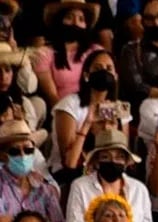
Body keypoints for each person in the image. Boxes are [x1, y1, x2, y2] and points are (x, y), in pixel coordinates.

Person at [65, 129, 153, 222]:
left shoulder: (139, 189)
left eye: (118, 157)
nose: (113, 162)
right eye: (106, 157)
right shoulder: (80, 187)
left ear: (125, 161)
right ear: (97, 161)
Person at [48, 48, 131, 184]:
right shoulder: (69, 104)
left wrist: (111, 131)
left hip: (107, 171)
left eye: (109, 68)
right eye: (98, 68)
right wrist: (88, 125)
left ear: (115, 76)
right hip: (71, 172)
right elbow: (69, 162)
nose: (104, 72)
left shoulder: (120, 108)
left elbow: (123, 155)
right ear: (86, 75)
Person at [0, 120, 64, 222]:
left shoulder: (44, 187)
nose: (23, 155)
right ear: (3, 156)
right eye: (14, 151)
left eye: (28, 150)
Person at [31, 0, 103, 108]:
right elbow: (52, 96)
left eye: (81, 19)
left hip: (93, 109)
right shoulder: (44, 53)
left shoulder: (96, 51)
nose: (75, 23)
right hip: (63, 110)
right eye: (69, 17)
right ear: (59, 21)